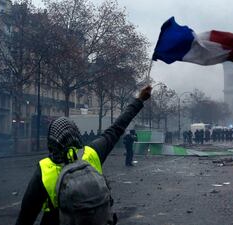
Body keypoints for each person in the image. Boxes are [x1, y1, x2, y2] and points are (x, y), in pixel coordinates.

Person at [15, 86, 152, 225]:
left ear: (52, 141)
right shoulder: (92, 153)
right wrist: (140, 99)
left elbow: (26, 216)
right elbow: (118, 127)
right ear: (76, 133)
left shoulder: (45, 169)